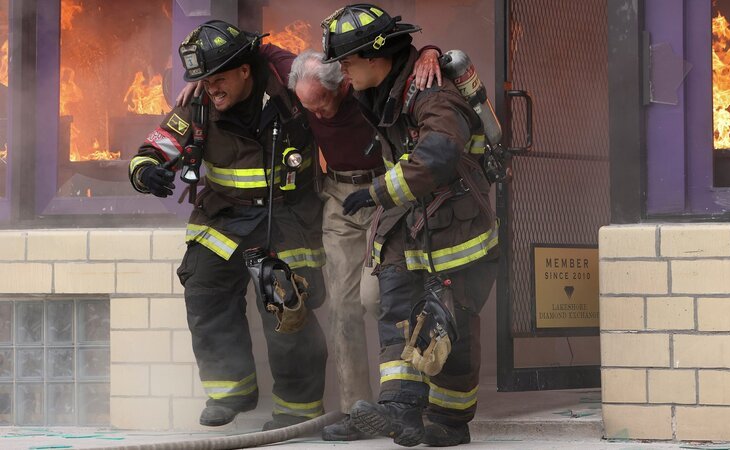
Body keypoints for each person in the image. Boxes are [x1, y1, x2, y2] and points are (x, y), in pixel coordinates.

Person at [175, 45, 442, 441]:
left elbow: (396, 57)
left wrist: (430, 52)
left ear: (345, 83)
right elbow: (253, 48)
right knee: (343, 305)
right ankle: (357, 409)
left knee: (381, 297)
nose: (317, 117)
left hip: (387, 191)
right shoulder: (295, 73)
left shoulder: (366, 85)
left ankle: (407, 401)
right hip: (338, 195)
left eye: (323, 106)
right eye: (309, 109)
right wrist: (210, 79)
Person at [128, 20, 328, 430]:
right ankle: (230, 390)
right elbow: (154, 147)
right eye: (203, 80)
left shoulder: (291, 94)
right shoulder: (198, 102)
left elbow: (343, 103)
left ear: (245, 71)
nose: (210, 88)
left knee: (286, 303)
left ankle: (298, 409)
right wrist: (148, 172)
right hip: (224, 218)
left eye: (218, 79)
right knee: (204, 290)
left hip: (286, 217)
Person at [320, 4, 499, 448]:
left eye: (347, 61)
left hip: (457, 230)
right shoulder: (385, 91)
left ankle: (450, 421)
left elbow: (438, 156)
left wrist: (379, 192)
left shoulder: (431, 93)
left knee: (447, 325)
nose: (343, 71)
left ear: (376, 57)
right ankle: (401, 411)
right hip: (413, 223)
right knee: (396, 310)